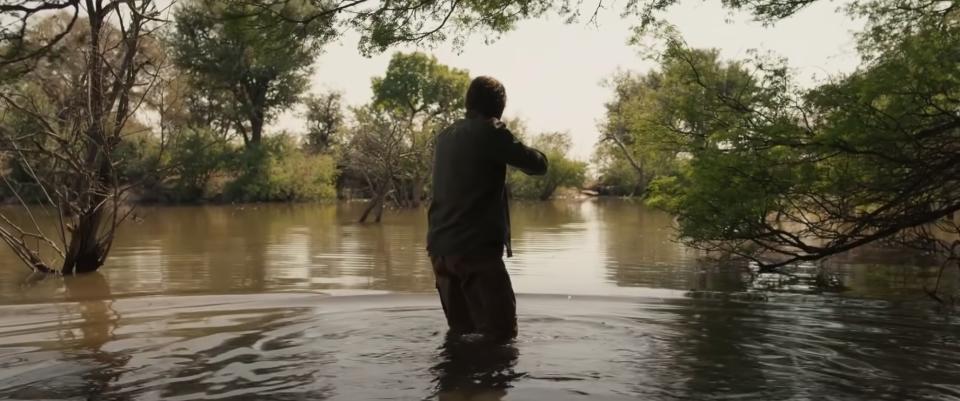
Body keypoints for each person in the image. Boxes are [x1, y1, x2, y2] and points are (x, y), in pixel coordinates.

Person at [427, 75, 548, 343]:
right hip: (476, 253)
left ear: (468, 103)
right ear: (499, 108)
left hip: (441, 253)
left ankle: (453, 381)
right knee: (501, 336)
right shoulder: (490, 132)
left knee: (461, 335)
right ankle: (491, 384)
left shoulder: (446, 135)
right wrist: (499, 128)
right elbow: (538, 165)